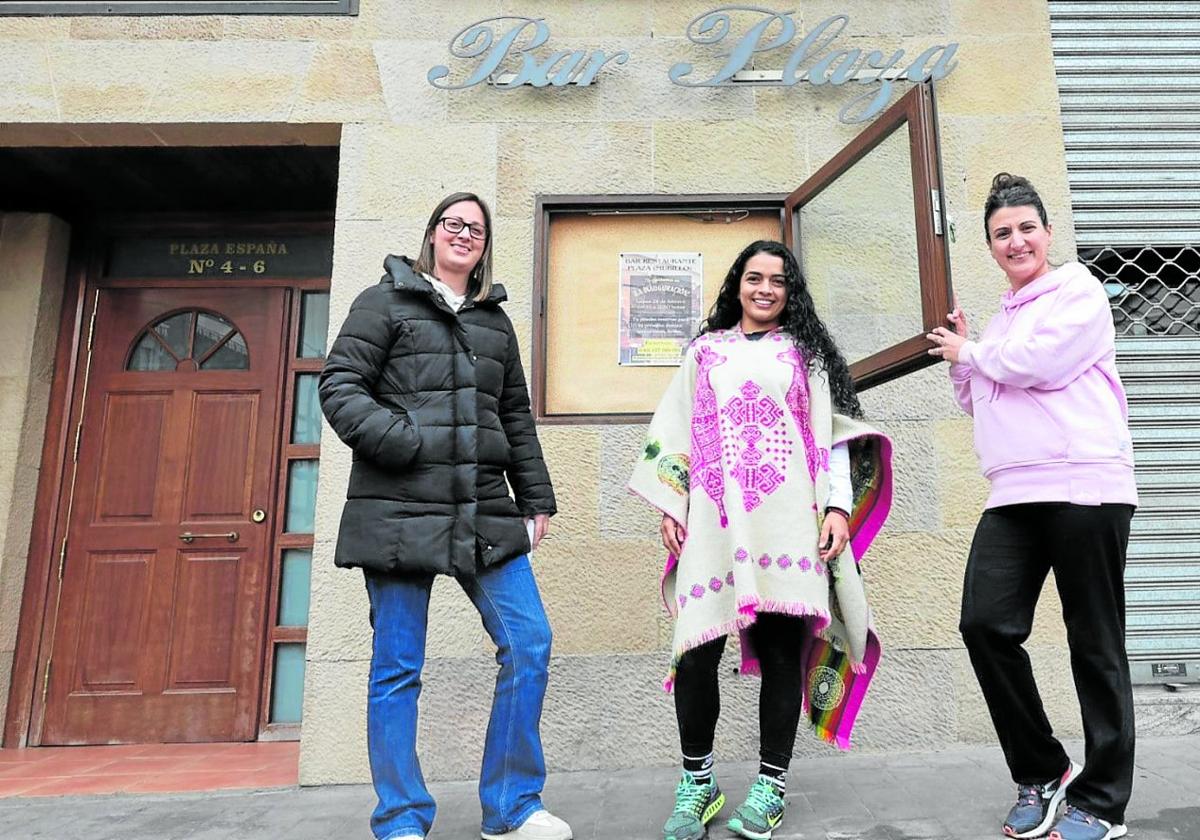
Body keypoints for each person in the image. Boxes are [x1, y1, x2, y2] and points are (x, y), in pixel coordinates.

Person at [319, 192, 569, 840]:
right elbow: (340, 385)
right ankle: (401, 817)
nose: (464, 234)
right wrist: (402, 439)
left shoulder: (494, 322)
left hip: (485, 510)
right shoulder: (384, 302)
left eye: (476, 229)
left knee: (529, 643)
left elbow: (515, 416)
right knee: (398, 666)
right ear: (431, 234)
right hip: (400, 513)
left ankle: (512, 808)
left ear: (484, 248)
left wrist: (536, 501)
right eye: (453, 224)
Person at [629, 240, 894, 840]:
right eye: (754, 277)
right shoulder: (704, 353)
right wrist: (673, 503)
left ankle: (771, 786)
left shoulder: (807, 356)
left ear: (790, 290)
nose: (765, 288)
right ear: (737, 285)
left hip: (787, 522)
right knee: (697, 651)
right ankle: (698, 783)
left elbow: (829, 440)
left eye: (778, 280)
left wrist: (835, 507)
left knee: (781, 653)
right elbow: (674, 431)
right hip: (714, 522)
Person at [927, 173, 1137, 840]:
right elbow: (983, 395)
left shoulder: (1077, 289)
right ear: (989, 246)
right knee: (984, 624)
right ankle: (1043, 770)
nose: (1015, 240)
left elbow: (1039, 364)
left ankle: (1103, 802)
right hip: (1014, 491)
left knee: (1094, 643)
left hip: (1084, 486)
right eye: (1001, 233)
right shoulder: (1004, 317)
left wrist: (976, 352)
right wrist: (965, 359)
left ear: (1047, 233)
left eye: (1025, 228)